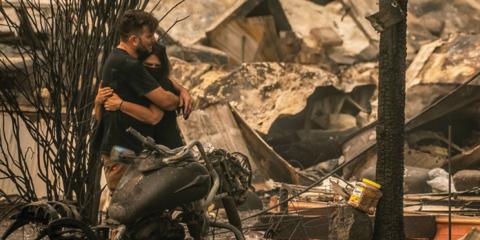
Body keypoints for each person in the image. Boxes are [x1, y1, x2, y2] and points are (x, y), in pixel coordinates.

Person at [95, 10, 180, 192]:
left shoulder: (115, 59)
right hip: (123, 150)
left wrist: (181, 89)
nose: (153, 40)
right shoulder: (128, 65)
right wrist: (179, 98)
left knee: (135, 205)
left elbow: (161, 80)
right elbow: (166, 102)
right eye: (149, 36)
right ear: (134, 40)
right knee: (129, 205)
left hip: (119, 148)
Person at [99, 43, 189, 149]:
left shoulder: (162, 85)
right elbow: (101, 118)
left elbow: (154, 117)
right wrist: (98, 102)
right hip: (130, 147)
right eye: (148, 65)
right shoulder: (132, 83)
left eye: (157, 66)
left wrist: (121, 105)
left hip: (166, 149)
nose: (153, 69)